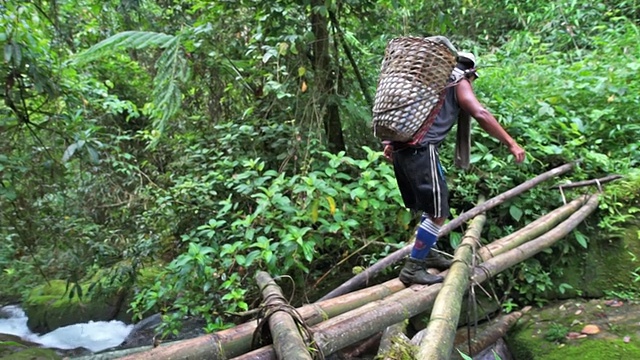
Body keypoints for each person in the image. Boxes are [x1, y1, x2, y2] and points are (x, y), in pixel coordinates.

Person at [383, 51, 526, 286]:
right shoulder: (458, 80)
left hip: (406, 150)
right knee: (439, 213)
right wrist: (511, 143)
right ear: (471, 72)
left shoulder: (428, 85)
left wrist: (389, 142)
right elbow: (480, 112)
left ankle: (428, 252)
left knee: (433, 207)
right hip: (421, 151)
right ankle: (413, 267)